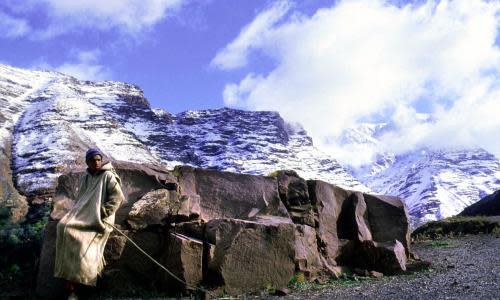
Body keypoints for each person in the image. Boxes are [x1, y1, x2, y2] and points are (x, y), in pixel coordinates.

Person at [54, 148, 125, 299]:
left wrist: (103, 212)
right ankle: (69, 282)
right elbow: (81, 200)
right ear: (88, 162)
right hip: (85, 217)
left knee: (79, 239)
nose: (97, 162)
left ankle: (79, 286)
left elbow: (117, 198)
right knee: (62, 227)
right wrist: (76, 213)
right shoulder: (86, 177)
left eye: (99, 160)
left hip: (100, 219)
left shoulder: (108, 176)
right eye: (93, 160)